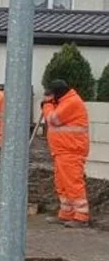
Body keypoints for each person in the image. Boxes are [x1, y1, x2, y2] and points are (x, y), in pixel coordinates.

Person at [40, 79, 90, 227]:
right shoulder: (64, 101)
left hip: (71, 150)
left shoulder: (71, 102)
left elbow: (53, 119)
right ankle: (66, 213)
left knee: (72, 183)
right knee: (62, 184)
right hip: (62, 150)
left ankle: (81, 216)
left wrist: (47, 106)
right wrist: (51, 104)